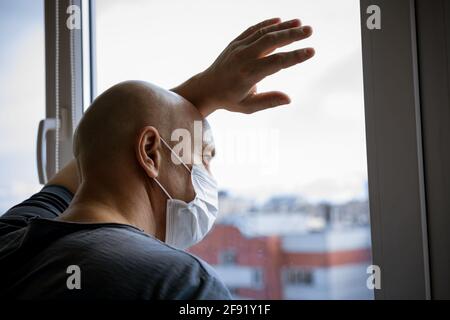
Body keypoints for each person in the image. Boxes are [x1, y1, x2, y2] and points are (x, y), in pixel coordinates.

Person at [0, 18, 314, 299]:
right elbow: (101, 147)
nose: (209, 177)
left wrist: (202, 91)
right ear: (151, 153)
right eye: (203, 157)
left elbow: (100, 147)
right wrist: (201, 93)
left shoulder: (11, 240)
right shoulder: (181, 284)